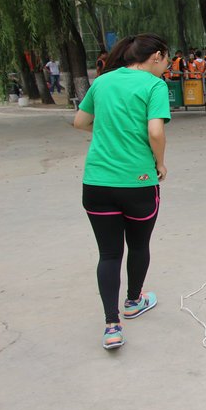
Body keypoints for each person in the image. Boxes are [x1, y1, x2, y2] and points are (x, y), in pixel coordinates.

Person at [72, 33, 170, 350]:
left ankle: (111, 325)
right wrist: (160, 162)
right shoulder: (154, 86)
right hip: (138, 182)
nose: (167, 67)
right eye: (167, 59)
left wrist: (107, 131)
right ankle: (133, 301)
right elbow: (155, 131)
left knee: (109, 253)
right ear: (156, 56)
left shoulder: (102, 82)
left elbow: (80, 122)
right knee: (138, 245)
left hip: (97, 183)